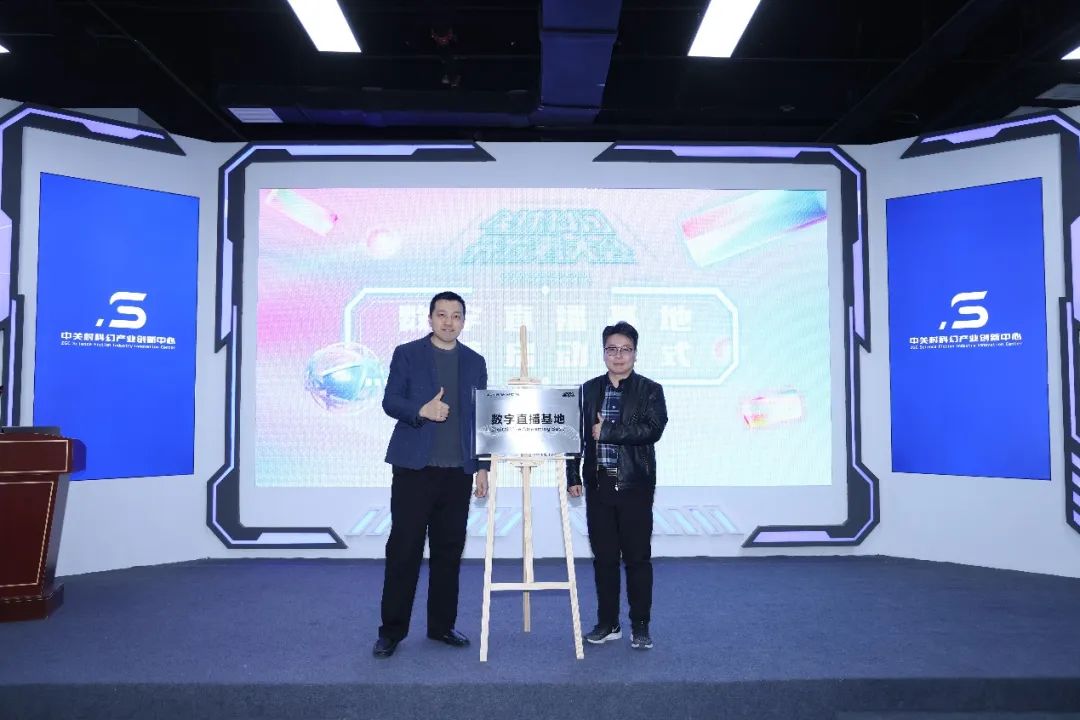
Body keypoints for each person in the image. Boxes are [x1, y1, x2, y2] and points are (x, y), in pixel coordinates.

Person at [373, 291, 489, 658]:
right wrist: (421, 410)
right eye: (442, 314)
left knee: (448, 552)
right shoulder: (407, 353)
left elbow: (481, 419)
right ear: (430, 319)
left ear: (463, 321)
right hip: (414, 470)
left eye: (456, 316)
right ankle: (392, 631)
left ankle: (441, 627)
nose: (448, 322)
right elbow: (390, 401)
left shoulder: (475, 362)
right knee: (404, 550)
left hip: (458, 473)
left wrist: (482, 466)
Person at [567, 321, 667, 650]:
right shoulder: (588, 389)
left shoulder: (650, 390)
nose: (619, 355)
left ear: (635, 353)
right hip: (599, 484)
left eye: (625, 349)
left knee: (637, 559)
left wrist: (609, 431)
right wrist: (573, 474)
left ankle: (641, 625)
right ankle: (608, 623)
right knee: (604, 559)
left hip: (635, 485)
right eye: (612, 349)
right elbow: (576, 435)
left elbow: (652, 430)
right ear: (603, 353)